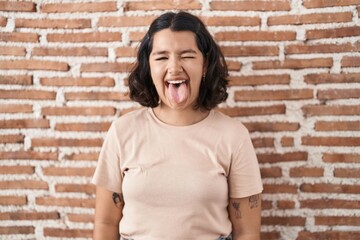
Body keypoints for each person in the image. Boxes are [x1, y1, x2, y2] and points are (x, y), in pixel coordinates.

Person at [92, 11, 263, 240]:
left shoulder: (234, 136)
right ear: (149, 67)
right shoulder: (122, 131)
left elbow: (247, 232)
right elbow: (105, 224)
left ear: (205, 65)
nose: (174, 68)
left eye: (187, 56)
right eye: (162, 57)